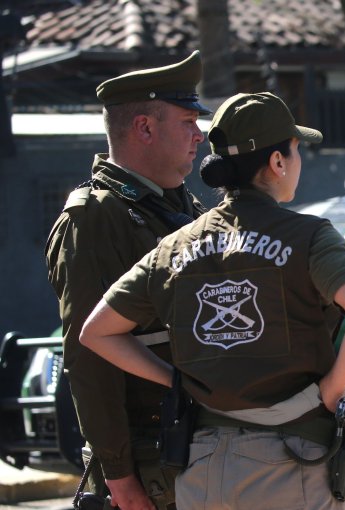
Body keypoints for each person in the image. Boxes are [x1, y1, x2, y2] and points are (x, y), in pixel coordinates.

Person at [79, 92, 345, 510]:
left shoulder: (174, 246)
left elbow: (96, 332)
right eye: (295, 150)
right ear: (277, 162)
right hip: (289, 466)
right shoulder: (309, 236)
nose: (298, 161)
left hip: (200, 470)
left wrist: (177, 380)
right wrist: (332, 389)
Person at [45, 51, 212, 510]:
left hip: (197, 446)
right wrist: (119, 476)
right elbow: (89, 357)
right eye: (188, 122)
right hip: (150, 458)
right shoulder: (96, 219)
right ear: (144, 128)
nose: (199, 135)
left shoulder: (183, 208)